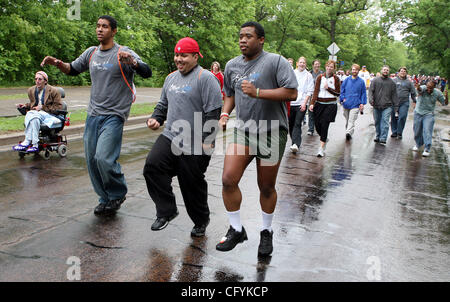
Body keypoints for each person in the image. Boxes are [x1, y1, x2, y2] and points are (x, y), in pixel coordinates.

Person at [40, 15, 152, 215]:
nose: (100, 29)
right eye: (98, 26)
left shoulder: (123, 52)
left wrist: (133, 63)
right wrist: (56, 62)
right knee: (92, 160)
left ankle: (117, 193)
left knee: (104, 158)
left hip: (114, 115)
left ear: (114, 31)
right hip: (93, 114)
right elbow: (72, 69)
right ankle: (105, 198)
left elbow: (147, 71)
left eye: (105, 27)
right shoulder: (91, 53)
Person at [216, 21, 297, 257]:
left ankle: (266, 231)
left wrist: (258, 92)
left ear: (261, 40)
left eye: (248, 36)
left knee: (266, 186)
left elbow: (291, 92)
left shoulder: (275, 62)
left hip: (273, 131)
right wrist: (224, 113)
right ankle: (236, 229)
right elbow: (230, 95)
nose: (243, 40)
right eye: (240, 36)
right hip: (245, 130)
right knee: (228, 179)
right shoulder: (231, 66)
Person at [143, 37, 222, 237]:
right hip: (171, 135)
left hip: (196, 142)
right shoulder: (171, 78)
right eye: (177, 55)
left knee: (191, 185)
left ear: (196, 56)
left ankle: (201, 220)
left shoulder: (205, 78)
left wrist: (207, 143)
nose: (179, 59)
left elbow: (213, 113)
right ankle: (167, 211)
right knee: (152, 167)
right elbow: (163, 105)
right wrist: (156, 118)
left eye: (183, 55)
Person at [13, 71, 63, 153]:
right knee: (34, 117)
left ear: (45, 81)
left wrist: (42, 107)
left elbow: (58, 108)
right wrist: (25, 106)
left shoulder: (54, 91)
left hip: (51, 115)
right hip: (36, 115)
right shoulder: (31, 90)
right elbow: (33, 104)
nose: (37, 81)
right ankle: (35, 145)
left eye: (40, 79)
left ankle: (27, 141)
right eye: (36, 79)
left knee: (30, 113)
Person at [309, 60, 340, 157]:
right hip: (319, 104)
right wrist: (312, 103)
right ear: (325, 67)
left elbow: (338, 93)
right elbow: (315, 91)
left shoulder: (336, 78)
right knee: (318, 125)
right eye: (328, 66)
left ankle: (321, 148)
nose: (329, 68)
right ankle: (324, 138)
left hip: (330, 104)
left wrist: (328, 89)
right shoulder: (320, 77)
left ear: (334, 68)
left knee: (325, 124)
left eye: (331, 67)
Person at [412, 81, 448, 157]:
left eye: (430, 88)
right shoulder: (424, 88)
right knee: (417, 130)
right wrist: (418, 87)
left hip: (428, 114)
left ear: (434, 87)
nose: (428, 89)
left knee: (427, 130)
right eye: (428, 87)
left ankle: (427, 148)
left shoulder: (437, 93)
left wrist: (446, 96)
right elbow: (419, 90)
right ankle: (418, 144)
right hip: (418, 112)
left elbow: (444, 103)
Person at [288, 56, 314, 153]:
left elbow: (309, 91)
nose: (302, 64)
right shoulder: (292, 73)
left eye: (304, 63)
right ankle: (294, 141)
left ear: (305, 65)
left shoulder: (308, 76)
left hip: (301, 103)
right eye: (300, 62)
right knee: (290, 124)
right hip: (291, 103)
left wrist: (304, 103)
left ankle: (296, 144)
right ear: (297, 63)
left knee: (297, 123)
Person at [369, 66, 398, 145]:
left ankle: (383, 138)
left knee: (385, 121)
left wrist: (396, 107)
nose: (386, 71)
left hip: (387, 106)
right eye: (384, 70)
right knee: (377, 122)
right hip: (376, 105)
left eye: (387, 70)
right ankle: (378, 136)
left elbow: (394, 95)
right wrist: (371, 100)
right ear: (381, 70)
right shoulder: (375, 80)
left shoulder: (392, 83)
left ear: (389, 72)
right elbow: (371, 91)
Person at [339, 64, 366, 140]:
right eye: (353, 69)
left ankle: (348, 133)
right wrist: (342, 98)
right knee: (347, 120)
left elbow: (363, 93)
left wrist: (362, 103)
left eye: (356, 70)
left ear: (358, 71)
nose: (354, 71)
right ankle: (349, 131)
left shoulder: (361, 82)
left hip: (355, 104)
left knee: (351, 119)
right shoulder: (346, 80)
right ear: (351, 70)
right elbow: (342, 90)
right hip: (346, 103)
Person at [391, 67, 416, 139]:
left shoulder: (409, 82)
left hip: (404, 102)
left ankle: (399, 132)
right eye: (401, 71)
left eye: (404, 71)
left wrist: (414, 101)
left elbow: (413, 92)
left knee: (402, 117)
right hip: (394, 102)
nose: (403, 72)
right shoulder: (394, 80)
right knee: (394, 117)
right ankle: (394, 132)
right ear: (398, 72)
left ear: (406, 73)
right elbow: (389, 90)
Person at [308, 59, 323, 136]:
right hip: (311, 95)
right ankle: (310, 129)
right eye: (315, 64)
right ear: (313, 65)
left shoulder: (322, 74)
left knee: (318, 113)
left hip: (320, 95)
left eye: (318, 64)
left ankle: (318, 128)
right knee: (311, 112)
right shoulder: (309, 73)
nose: (317, 65)